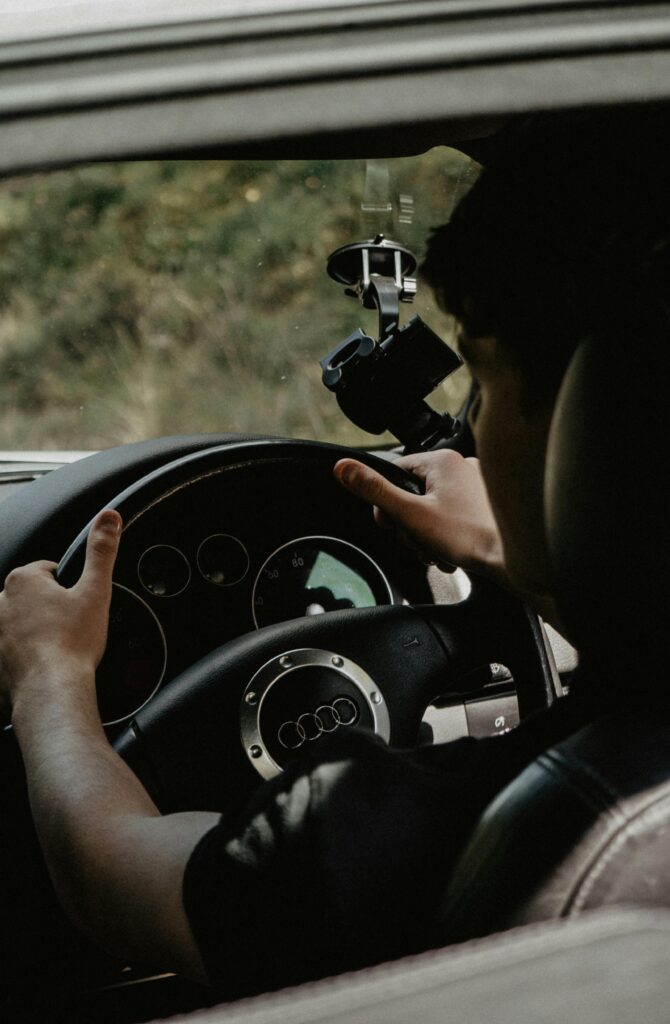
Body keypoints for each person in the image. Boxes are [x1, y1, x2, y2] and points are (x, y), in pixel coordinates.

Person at [1, 109, 668, 1000]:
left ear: (594, 419)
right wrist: (520, 556)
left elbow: (114, 876)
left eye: (486, 380)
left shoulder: (432, 837)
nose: (469, 427)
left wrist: (50, 678)